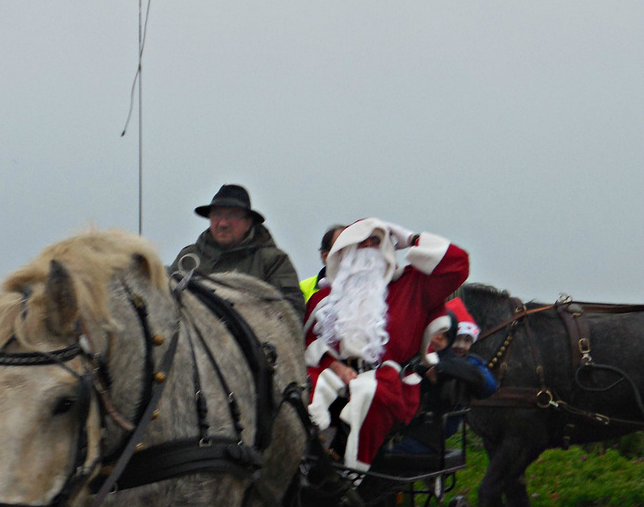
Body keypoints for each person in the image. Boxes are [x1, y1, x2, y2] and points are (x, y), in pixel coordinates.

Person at [304, 218, 469, 470]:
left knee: (370, 393)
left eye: (376, 240)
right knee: (296, 390)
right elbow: (309, 343)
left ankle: (350, 472)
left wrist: (411, 239)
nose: (368, 247)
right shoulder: (325, 297)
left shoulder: (411, 286)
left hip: (391, 382)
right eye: (361, 242)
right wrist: (336, 367)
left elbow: (458, 264)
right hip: (334, 373)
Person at [169, 184, 305, 319]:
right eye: (217, 215)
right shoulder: (188, 258)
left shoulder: (273, 261)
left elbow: (292, 313)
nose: (223, 223)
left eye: (232, 215)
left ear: (248, 223)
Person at [387, 295, 497, 455]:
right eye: (456, 339)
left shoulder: (469, 364)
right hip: (407, 424)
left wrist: (441, 367)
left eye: (467, 340)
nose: (461, 345)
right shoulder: (424, 355)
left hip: (430, 432)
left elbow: (488, 386)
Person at [299, 225, 345, 303]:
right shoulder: (302, 289)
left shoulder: (369, 285)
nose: (349, 255)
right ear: (325, 256)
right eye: (342, 249)